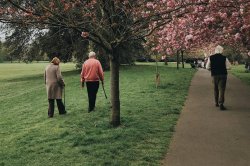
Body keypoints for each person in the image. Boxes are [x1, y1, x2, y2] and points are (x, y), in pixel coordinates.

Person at [206, 45, 231, 110]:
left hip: (214, 75)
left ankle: (216, 102)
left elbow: (207, 67)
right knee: (222, 89)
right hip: (223, 75)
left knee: (215, 89)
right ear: (221, 51)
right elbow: (229, 67)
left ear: (215, 50)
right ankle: (221, 104)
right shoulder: (224, 58)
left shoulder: (210, 58)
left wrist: (212, 68)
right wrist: (223, 67)